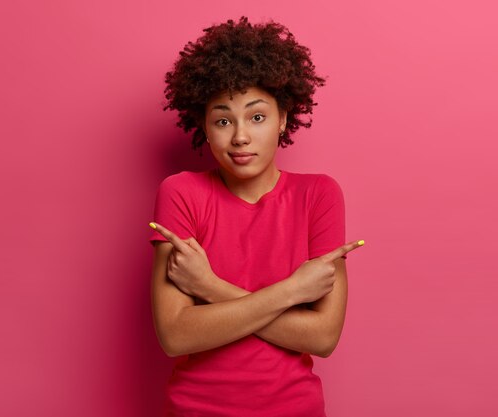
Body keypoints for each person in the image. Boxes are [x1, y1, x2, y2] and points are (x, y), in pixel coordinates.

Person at [148, 16, 364, 417]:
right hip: (196, 409)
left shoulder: (319, 195)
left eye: (257, 116)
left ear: (283, 118)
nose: (240, 136)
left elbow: (323, 337)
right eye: (223, 120)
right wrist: (292, 291)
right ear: (205, 126)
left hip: (294, 408)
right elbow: (175, 335)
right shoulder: (181, 193)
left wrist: (209, 287)